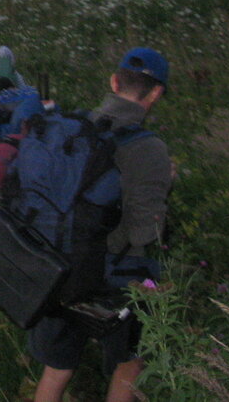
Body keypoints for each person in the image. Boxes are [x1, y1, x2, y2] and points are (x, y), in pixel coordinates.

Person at [28, 47, 173, 402]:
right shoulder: (149, 149)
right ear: (156, 93)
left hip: (56, 270)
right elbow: (145, 233)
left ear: (113, 82)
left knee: (57, 368)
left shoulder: (71, 127)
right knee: (131, 361)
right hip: (113, 278)